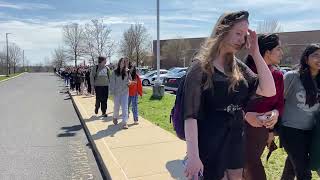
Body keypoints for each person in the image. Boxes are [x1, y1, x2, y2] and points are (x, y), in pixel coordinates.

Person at [183, 11, 276, 180]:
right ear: (222, 31)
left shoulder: (238, 67)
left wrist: (255, 53)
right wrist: (193, 156)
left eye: (244, 34)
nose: (242, 39)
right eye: (238, 33)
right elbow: (190, 116)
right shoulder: (200, 66)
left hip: (235, 139)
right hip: (208, 142)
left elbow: (270, 90)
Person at [243, 34, 285, 180]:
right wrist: (246, 115)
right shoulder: (244, 71)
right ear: (267, 52)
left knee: (249, 165)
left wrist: (275, 114)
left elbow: (279, 103)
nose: (282, 53)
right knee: (248, 166)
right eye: (278, 49)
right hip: (238, 127)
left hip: (261, 130)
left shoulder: (278, 75)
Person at [279, 44, 320, 180]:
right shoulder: (292, 77)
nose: (319, 59)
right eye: (316, 55)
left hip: (312, 131)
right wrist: (273, 129)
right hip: (291, 130)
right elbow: (278, 102)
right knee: (304, 171)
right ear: (306, 58)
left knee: (293, 164)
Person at [110, 58, 131, 129]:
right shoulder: (114, 72)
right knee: (116, 107)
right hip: (117, 92)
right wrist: (112, 91)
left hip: (125, 92)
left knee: (125, 107)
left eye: (124, 62)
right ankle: (115, 117)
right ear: (119, 63)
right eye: (121, 62)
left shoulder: (127, 71)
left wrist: (129, 82)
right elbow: (112, 82)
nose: (123, 63)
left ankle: (124, 122)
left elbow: (130, 80)